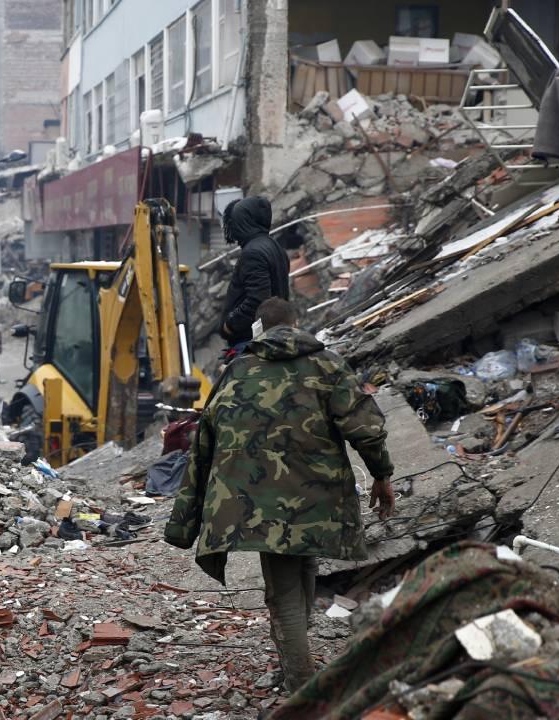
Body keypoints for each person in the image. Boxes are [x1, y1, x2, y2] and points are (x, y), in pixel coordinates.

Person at [164, 297, 395, 692]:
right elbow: (366, 427)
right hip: (316, 494)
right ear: (297, 322)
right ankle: (299, 675)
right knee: (299, 569)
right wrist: (381, 475)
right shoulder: (327, 364)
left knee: (287, 583)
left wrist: (189, 514)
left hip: (250, 501)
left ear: (260, 327)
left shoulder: (237, 370)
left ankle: (300, 683)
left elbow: (204, 440)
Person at [219, 196, 290, 352]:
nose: (234, 231)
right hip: (272, 337)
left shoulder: (253, 253)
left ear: (243, 221)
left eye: (236, 222)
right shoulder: (275, 247)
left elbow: (258, 300)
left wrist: (230, 324)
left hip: (252, 342)